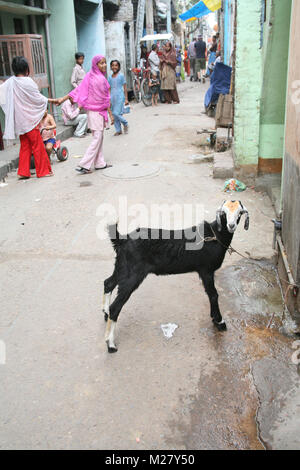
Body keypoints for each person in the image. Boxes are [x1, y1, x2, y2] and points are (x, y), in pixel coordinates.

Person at [56, 55, 114, 174]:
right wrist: (63, 99)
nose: (104, 65)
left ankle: (99, 163)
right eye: (101, 63)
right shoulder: (93, 77)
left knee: (99, 137)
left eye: (105, 62)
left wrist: (63, 99)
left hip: (97, 111)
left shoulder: (94, 76)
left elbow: (105, 94)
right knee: (97, 138)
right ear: (95, 65)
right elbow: (79, 90)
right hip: (95, 112)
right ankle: (84, 164)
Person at [0, 56, 53, 179]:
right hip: (30, 120)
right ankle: (43, 171)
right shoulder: (28, 82)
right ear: (26, 69)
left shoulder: (10, 82)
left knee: (25, 146)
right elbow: (37, 98)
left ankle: (23, 172)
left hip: (19, 121)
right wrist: (52, 100)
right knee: (38, 145)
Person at [108, 60, 129, 136]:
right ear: (111, 67)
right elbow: (109, 88)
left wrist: (126, 98)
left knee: (116, 113)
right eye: (112, 65)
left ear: (119, 67)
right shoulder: (109, 77)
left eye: (116, 65)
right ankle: (118, 130)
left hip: (120, 97)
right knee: (115, 115)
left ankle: (125, 123)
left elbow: (125, 88)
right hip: (113, 97)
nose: (114, 67)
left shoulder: (121, 76)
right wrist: (109, 99)